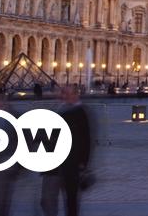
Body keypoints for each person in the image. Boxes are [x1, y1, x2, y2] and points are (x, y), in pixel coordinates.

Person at [41, 85, 92, 216]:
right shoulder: (58, 109)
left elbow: (86, 142)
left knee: (70, 202)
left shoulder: (80, 113)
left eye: (67, 94)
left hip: (71, 166)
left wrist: (83, 165)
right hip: (53, 165)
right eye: (63, 93)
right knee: (47, 200)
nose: (63, 96)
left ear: (76, 95)